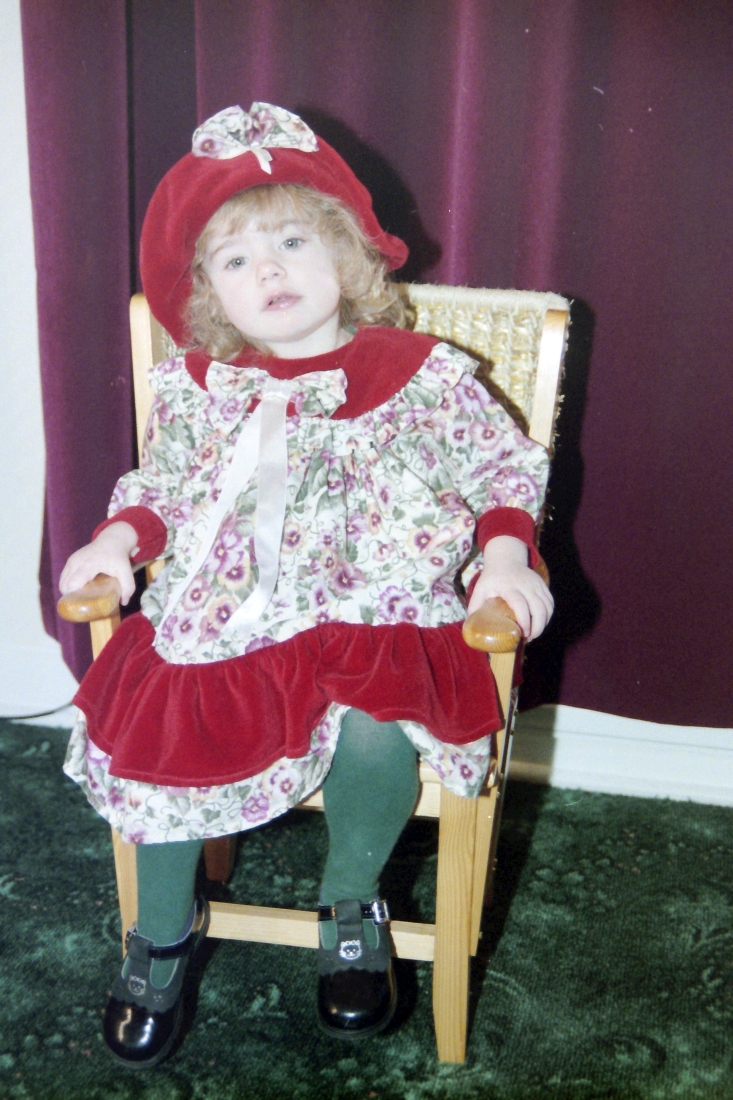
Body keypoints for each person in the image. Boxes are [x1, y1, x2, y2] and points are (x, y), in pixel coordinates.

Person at [59, 103, 553, 1068]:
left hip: (379, 604)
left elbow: (502, 469)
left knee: (377, 724)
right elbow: (163, 488)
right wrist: (117, 540)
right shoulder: (202, 386)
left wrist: (502, 556)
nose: (269, 272)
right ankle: (160, 935)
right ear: (209, 293)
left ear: (349, 256)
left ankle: (351, 902)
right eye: (236, 260)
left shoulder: (421, 374)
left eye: (291, 242)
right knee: (167, 734)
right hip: (227, 618)